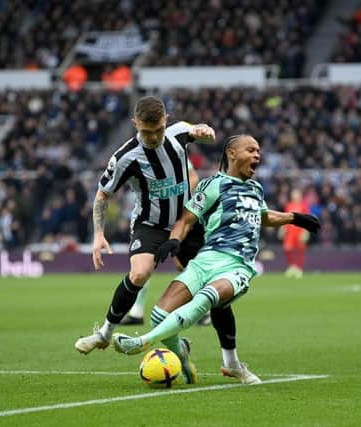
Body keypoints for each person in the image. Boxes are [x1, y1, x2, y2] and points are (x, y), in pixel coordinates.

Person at [74, 96, 256, 384]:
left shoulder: (178, 132)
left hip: (188, 221)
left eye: (158, 129)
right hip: (151, 224)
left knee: (217, 289)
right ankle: (105, 334)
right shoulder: (124, 157)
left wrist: (204, 130)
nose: (155, 137)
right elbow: (102, 195)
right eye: (147, 132)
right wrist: (98, 235)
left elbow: (199, 131)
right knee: (140, 272)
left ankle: (231, 362)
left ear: (166, 120)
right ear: (136, 124)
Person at [111, 135, 321, 378]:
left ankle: (142, 342)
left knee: (208, 297)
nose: (257, 155)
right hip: (206, 259)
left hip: (237, 265)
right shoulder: (211, 186)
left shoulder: (255, 188)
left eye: (258, 151)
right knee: (159, 316)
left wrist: (294, 218)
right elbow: (187, 219)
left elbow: (264, 216)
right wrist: (174, 241)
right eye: (251, 150)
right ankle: (185, 352)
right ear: (232, 154)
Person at [120, 162, 212, 326]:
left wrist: (176, 201)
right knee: (143, 263)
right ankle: (137, 311)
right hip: (153, 220)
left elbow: (193, 178)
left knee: (184, 265)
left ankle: (205, 310)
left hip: (177, 219)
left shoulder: (174, 153)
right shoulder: (139, 157)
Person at [282, 188, 310, 278]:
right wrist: (282, 228)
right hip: (290, 232)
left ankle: (299, 269)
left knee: (300, 250)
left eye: (296, 193)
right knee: (287, 249)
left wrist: (305, 231)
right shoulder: (288, 205)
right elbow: (284, 218)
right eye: (293, 193)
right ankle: (292, 266)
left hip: (299, 231)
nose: (294, 195)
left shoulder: (303, 205)